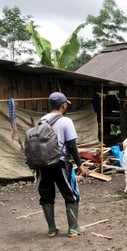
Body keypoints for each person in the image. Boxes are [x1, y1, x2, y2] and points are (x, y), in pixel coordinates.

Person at [38, 92, 87, 237]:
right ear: (64, 105)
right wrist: (80, 165)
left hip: (43, 164)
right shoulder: (66, 121)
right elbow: (71, 146)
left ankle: (51, 229)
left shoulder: (42, 120)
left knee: (46, 195)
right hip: (61, 163)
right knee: (71, 193)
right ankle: (73, 228)